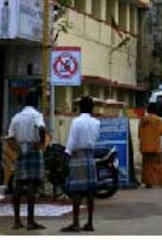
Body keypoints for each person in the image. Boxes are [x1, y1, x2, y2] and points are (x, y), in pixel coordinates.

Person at [7, 93, 47, 231]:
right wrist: (41, 143)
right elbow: (42, 128)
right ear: (36, 102)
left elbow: (10, 137)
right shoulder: (36, 115)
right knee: (31, 185)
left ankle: (17, 221)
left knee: (18, 185)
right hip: (33, 149)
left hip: (20, 149)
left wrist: (17, 149)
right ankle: (30, 222)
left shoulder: (16, 117)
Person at [63, 96, 101, 233]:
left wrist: (67, 152)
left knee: (76, 191)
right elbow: (96, 137)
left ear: (79, 107)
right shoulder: (96, 122)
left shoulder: (76, 122)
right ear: (92, 108)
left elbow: (72, 140)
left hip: (77, 155)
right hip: (90, 156)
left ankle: (75, 222)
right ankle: (90, 222)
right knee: (90, 191)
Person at [139, 101, 162, 188]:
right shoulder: (158, 120)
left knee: (147, 165)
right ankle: (161, 182)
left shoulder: (143, 120)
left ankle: (148, 182)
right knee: (157, 164)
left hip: (144, 146)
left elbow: (139, 134)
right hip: (155, 146)